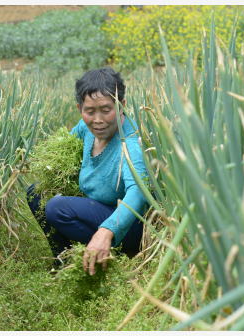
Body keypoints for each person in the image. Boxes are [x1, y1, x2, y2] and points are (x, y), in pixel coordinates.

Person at [27, 67, 148, 276]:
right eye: (90, 111)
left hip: (127, 225)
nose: (98, 119)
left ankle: (113, 257)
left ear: (122, 106)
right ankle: (65, 260)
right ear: (80, 108)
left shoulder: (129, 146)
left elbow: (137, 192)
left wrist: (106, 231)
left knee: (57, 207)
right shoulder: (87, 128)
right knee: (36, 192)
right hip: (96, 206)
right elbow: (65, 145)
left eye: (106, 110)